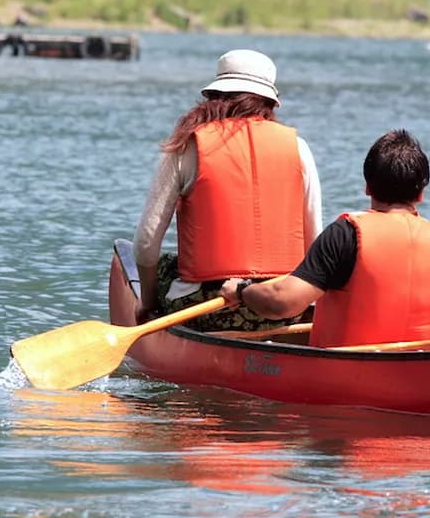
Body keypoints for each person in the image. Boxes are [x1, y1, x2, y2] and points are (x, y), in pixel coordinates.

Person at [133, 49, 323, 331]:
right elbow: (314, 249)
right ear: (270, 103)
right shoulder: (299, 149)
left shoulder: (188, 146)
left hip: (206, 309)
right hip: (282, 307)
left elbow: (146, 245)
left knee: (164, 266)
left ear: (213, 97)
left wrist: (147, 305)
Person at [220, 129, 430, 347]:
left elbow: (284, 302)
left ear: (368, 186)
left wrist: (242, 291)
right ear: (421, 193)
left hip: (348, 374)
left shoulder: (345, 234)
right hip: (423, 368)